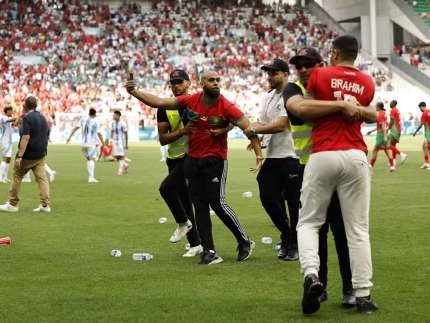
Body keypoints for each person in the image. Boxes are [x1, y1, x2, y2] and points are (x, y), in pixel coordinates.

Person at [126, 70, 263, 265]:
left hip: (215, 160)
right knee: (199, 205)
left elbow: (248, 127)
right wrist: (135, 93)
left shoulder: (226, 105)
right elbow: (158, 102)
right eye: (211, 80)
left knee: (218, 203)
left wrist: (258, 153)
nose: (216, 83)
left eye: (218, 80)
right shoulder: (190, 101)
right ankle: (210, 251)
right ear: (201, 83)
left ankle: (245, 241)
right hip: (192, 160)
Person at [288, 35, 379, 314]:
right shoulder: (367, 82)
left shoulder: (320, 75)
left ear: (334, 53)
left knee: (309, 223)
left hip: (324, 153)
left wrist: (335, 105)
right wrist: (349, 107)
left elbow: (306, 112)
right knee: (358, 230)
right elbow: (371, 114)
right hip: (356, 154)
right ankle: (362, 295)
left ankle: (312, 275)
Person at [284, 47, 355, 307]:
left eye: (308, 64)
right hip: (307, 168)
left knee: (341, 231)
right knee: (318, 231)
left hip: (337, 167)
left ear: (321, 64)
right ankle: (319, 286)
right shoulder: (293, 90)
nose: (302, 69)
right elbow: (301, 111)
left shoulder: (331, 89)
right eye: (298, 65)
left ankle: (349, 288)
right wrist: (339, 106)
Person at [243, 58, 300, 261]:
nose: (270, 76)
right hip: (274, 155)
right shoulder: (268, 97)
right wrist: (257, 135)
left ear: (285, 74)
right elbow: (264, 122)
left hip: (292, 156)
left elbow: (280, 125)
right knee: (267, 196)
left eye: (274, 73)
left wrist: (255, 129)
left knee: (293, 203)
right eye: (268, 73)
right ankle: (287, 234)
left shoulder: (290, 95)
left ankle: (295, 243)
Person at [157, 69, 203, 257]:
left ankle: (184, 224)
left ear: (188, 84)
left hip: (193, 158)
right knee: (185, 201)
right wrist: (183, 132)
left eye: (179, 82)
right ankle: (196, 244)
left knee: (166, 188)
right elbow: (163, 139)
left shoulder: (198, 103)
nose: (176, 86)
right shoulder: (164, 107)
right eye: (173, 83)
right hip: (174, 160)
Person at [0, 96, 51, 212]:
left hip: (28, 155)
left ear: (24, 106)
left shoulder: (28, 118)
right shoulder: (43, 118)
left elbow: (25, 137)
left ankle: (13, 204)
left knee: (17, 175)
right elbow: (47, 136)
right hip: (41, 154)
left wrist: (20, 156)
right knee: (42, 178)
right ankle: (45, 205)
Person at [66, 109, 105, 183]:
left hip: (83, 143)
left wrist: (69, 137)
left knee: (89, 159)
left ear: (88, 113)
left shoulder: (82, 120)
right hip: (91, 143)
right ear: (95, 114)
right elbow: (99, 134)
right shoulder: (96, 122)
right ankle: (91, 178)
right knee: (92, 159)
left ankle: (91, 176)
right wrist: (104, 144)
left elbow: (75, 128)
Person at [367, 102, 396, 173]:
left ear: (379, 107)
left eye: (376, 106)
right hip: (386, 133)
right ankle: (392, 167)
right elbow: (380, 126)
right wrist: (371, 131)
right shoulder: (384, 114)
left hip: (382, 135)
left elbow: (382, 125)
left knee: (375, 150)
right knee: (387, 150)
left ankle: (370, 166)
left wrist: (385, 136)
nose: (375, 108)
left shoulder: (380, 115)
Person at [0, 106, 21, 183]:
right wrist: (19, 116)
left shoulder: (8, 119)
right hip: (5, 141)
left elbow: (14, 123)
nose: (12, 112)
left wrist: (19, 120)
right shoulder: (4, 118)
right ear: (7, 111)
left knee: (8, 159)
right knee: (5, 159)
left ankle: (4, 177)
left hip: (9, 141)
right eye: (11, 110)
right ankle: (0, 176)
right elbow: (11, 120)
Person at [387, 100, 407, 165]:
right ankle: (394, 161)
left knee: (390, 145)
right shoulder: (397, 110)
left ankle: (402, 154)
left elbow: (391, 120)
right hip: (398, 129)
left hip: (394, 130)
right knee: (393, 145)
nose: (389, 104)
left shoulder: (393, 110)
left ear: (393, 104)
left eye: (390, 103)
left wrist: (388, 127)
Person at [413, 101, 430, 169]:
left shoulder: (424, 113)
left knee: (429, 149)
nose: (420, 109)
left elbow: (421, 124)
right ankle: (426, 163)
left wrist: (415, 131)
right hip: (428, 133)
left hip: (429, 134)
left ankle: (427, 164)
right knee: (424, 147)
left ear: (421, 107)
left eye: (419, 108)